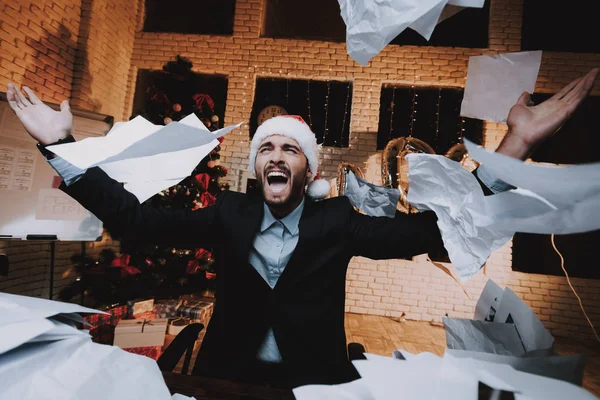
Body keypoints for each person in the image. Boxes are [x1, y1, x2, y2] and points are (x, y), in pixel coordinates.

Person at [5, 68, 598, 388]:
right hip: (225, 380)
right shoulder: (229, 215)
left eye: (291, 149)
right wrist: (59, 145)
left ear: (307, 169)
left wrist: (514, 145)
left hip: (313, 385)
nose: (278, 156)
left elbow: (436, 235)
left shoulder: (337, 220)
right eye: (269, 148)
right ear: (258, 165)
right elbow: (138, 220)